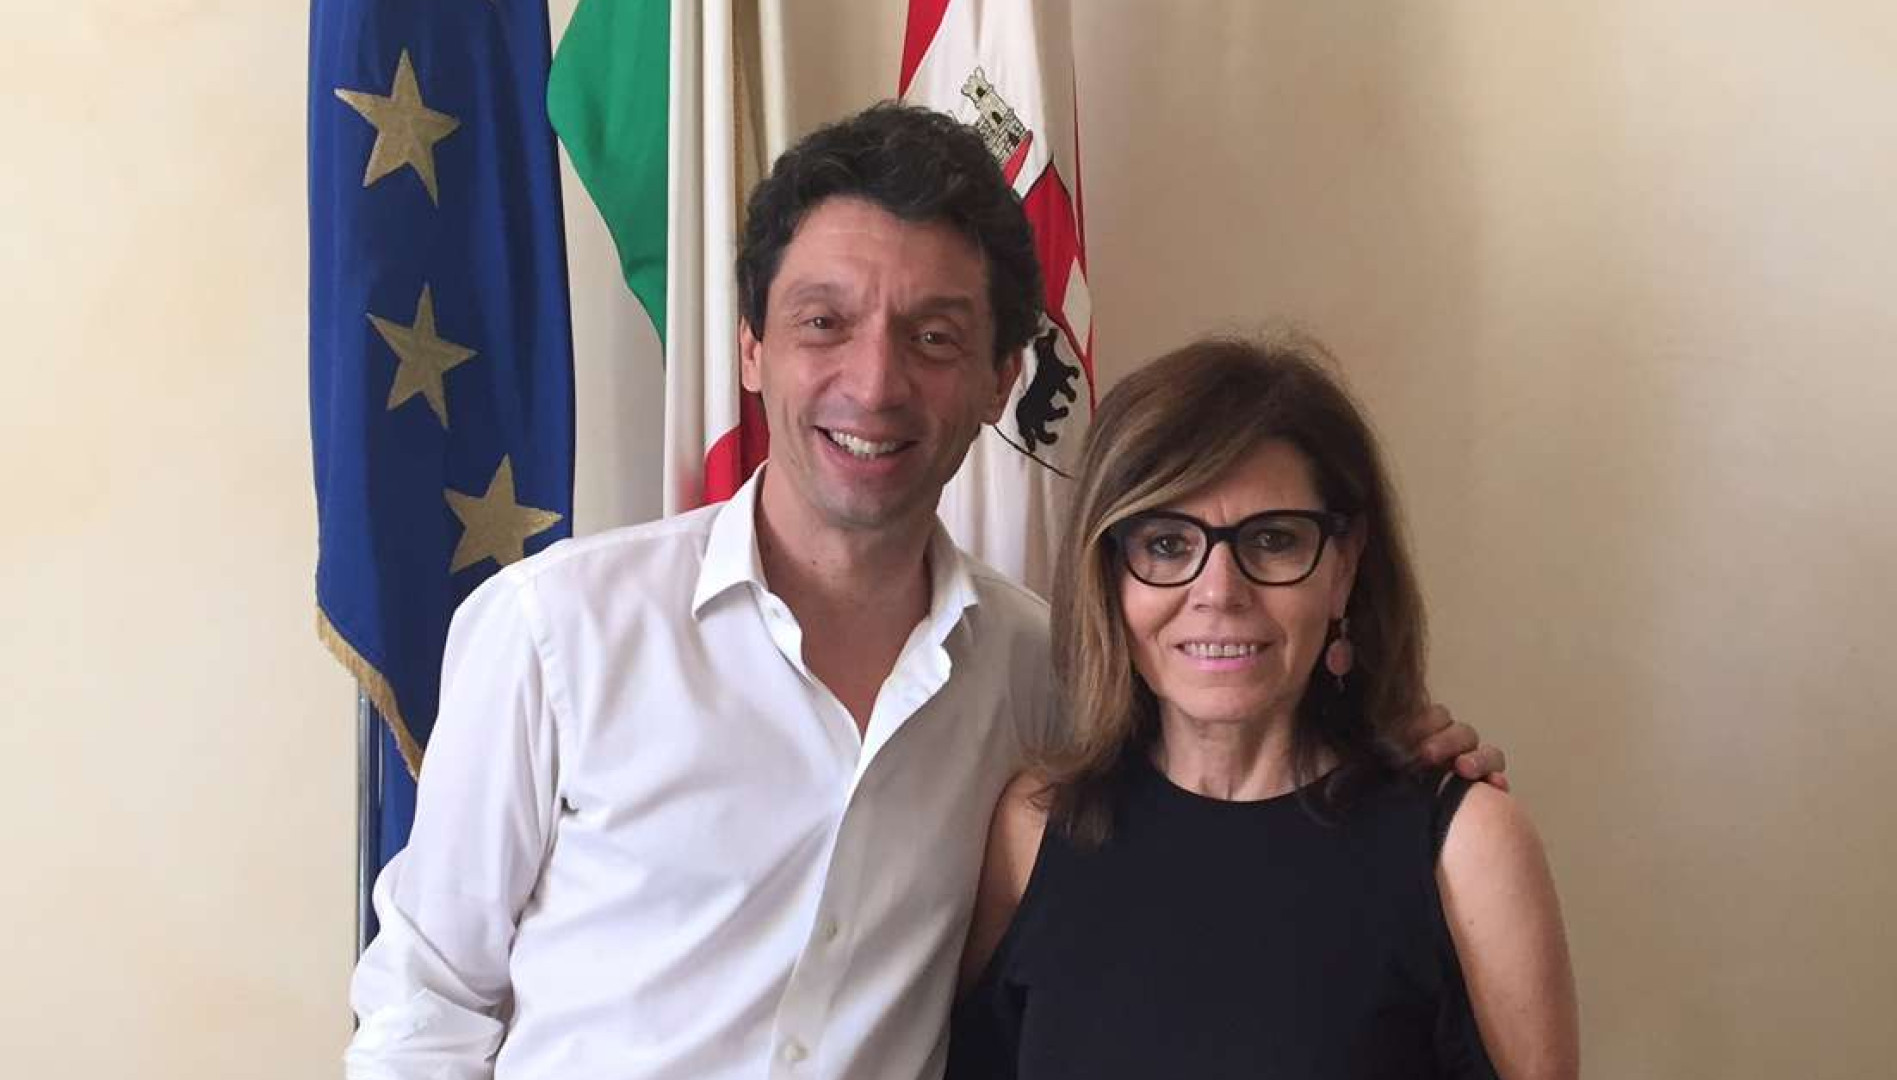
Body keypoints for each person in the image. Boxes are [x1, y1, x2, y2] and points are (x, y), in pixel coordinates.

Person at [345, 105, 1503, 1080]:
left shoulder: (1048, 678)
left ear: (1003, 379)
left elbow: (1237, 787)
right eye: (824, 323)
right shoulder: (557, 631)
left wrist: (1392, 739)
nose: (874, 383)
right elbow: (426, 1003)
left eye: (935, 338)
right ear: (751, 345)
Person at [949, 336, 1577, 1079]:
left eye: (1273, 540)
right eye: (1166, 543)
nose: (1219, 591)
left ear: (1344, 567)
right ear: (1109, 573)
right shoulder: (1034, 826)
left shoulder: (1466, 848)